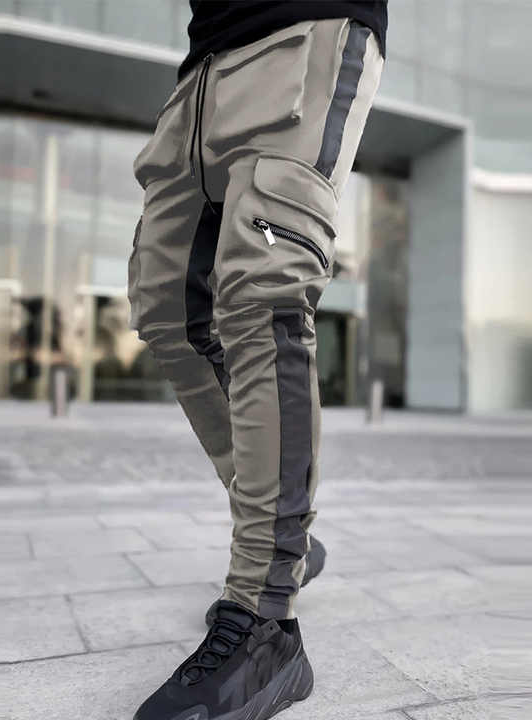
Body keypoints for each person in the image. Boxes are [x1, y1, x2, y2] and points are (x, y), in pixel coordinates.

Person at [129, 2, 387, 718]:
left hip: (305, 29)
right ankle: (287, 537)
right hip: (200, 71)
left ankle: (266, 622)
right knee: (167, 313)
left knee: (263, 295)